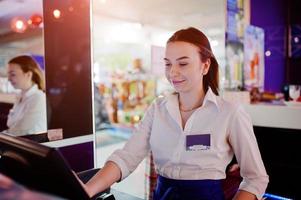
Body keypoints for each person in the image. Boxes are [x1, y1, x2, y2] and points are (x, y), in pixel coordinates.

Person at [83, 27, 269, 200]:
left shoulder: (230, 113)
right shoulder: (157, 109)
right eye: (168, 64)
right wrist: (87, 190)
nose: (173, 72)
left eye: (183, 63)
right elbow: (126, 157)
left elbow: (256, 178)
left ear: (205, 66)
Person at [1, 55, 47, 136]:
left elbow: (20, 131)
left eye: (13, 74)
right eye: (8, 74)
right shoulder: (20, 96)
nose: (8, 79)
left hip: (32, 146)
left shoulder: (39, 98)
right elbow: (11, 125)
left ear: (28, 74)